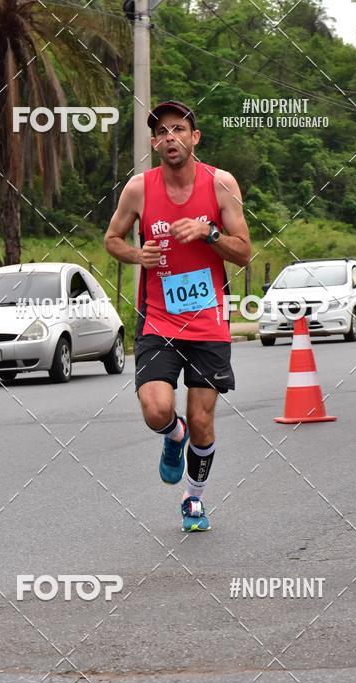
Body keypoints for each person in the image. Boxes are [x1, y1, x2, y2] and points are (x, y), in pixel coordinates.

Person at [104, 99, 251, 530]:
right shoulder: (139, 189)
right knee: (155, 408)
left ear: (194, 138)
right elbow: (112, 238)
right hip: (159, 319)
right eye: (162, 131)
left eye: (179, 129)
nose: (170, 137)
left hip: (208, 322)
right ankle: (173, 434)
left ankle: (193, 498)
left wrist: (209, 233)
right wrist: (137, 255)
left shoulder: (221, 184)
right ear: (153, 143)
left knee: (204, 421)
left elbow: (243, 253)